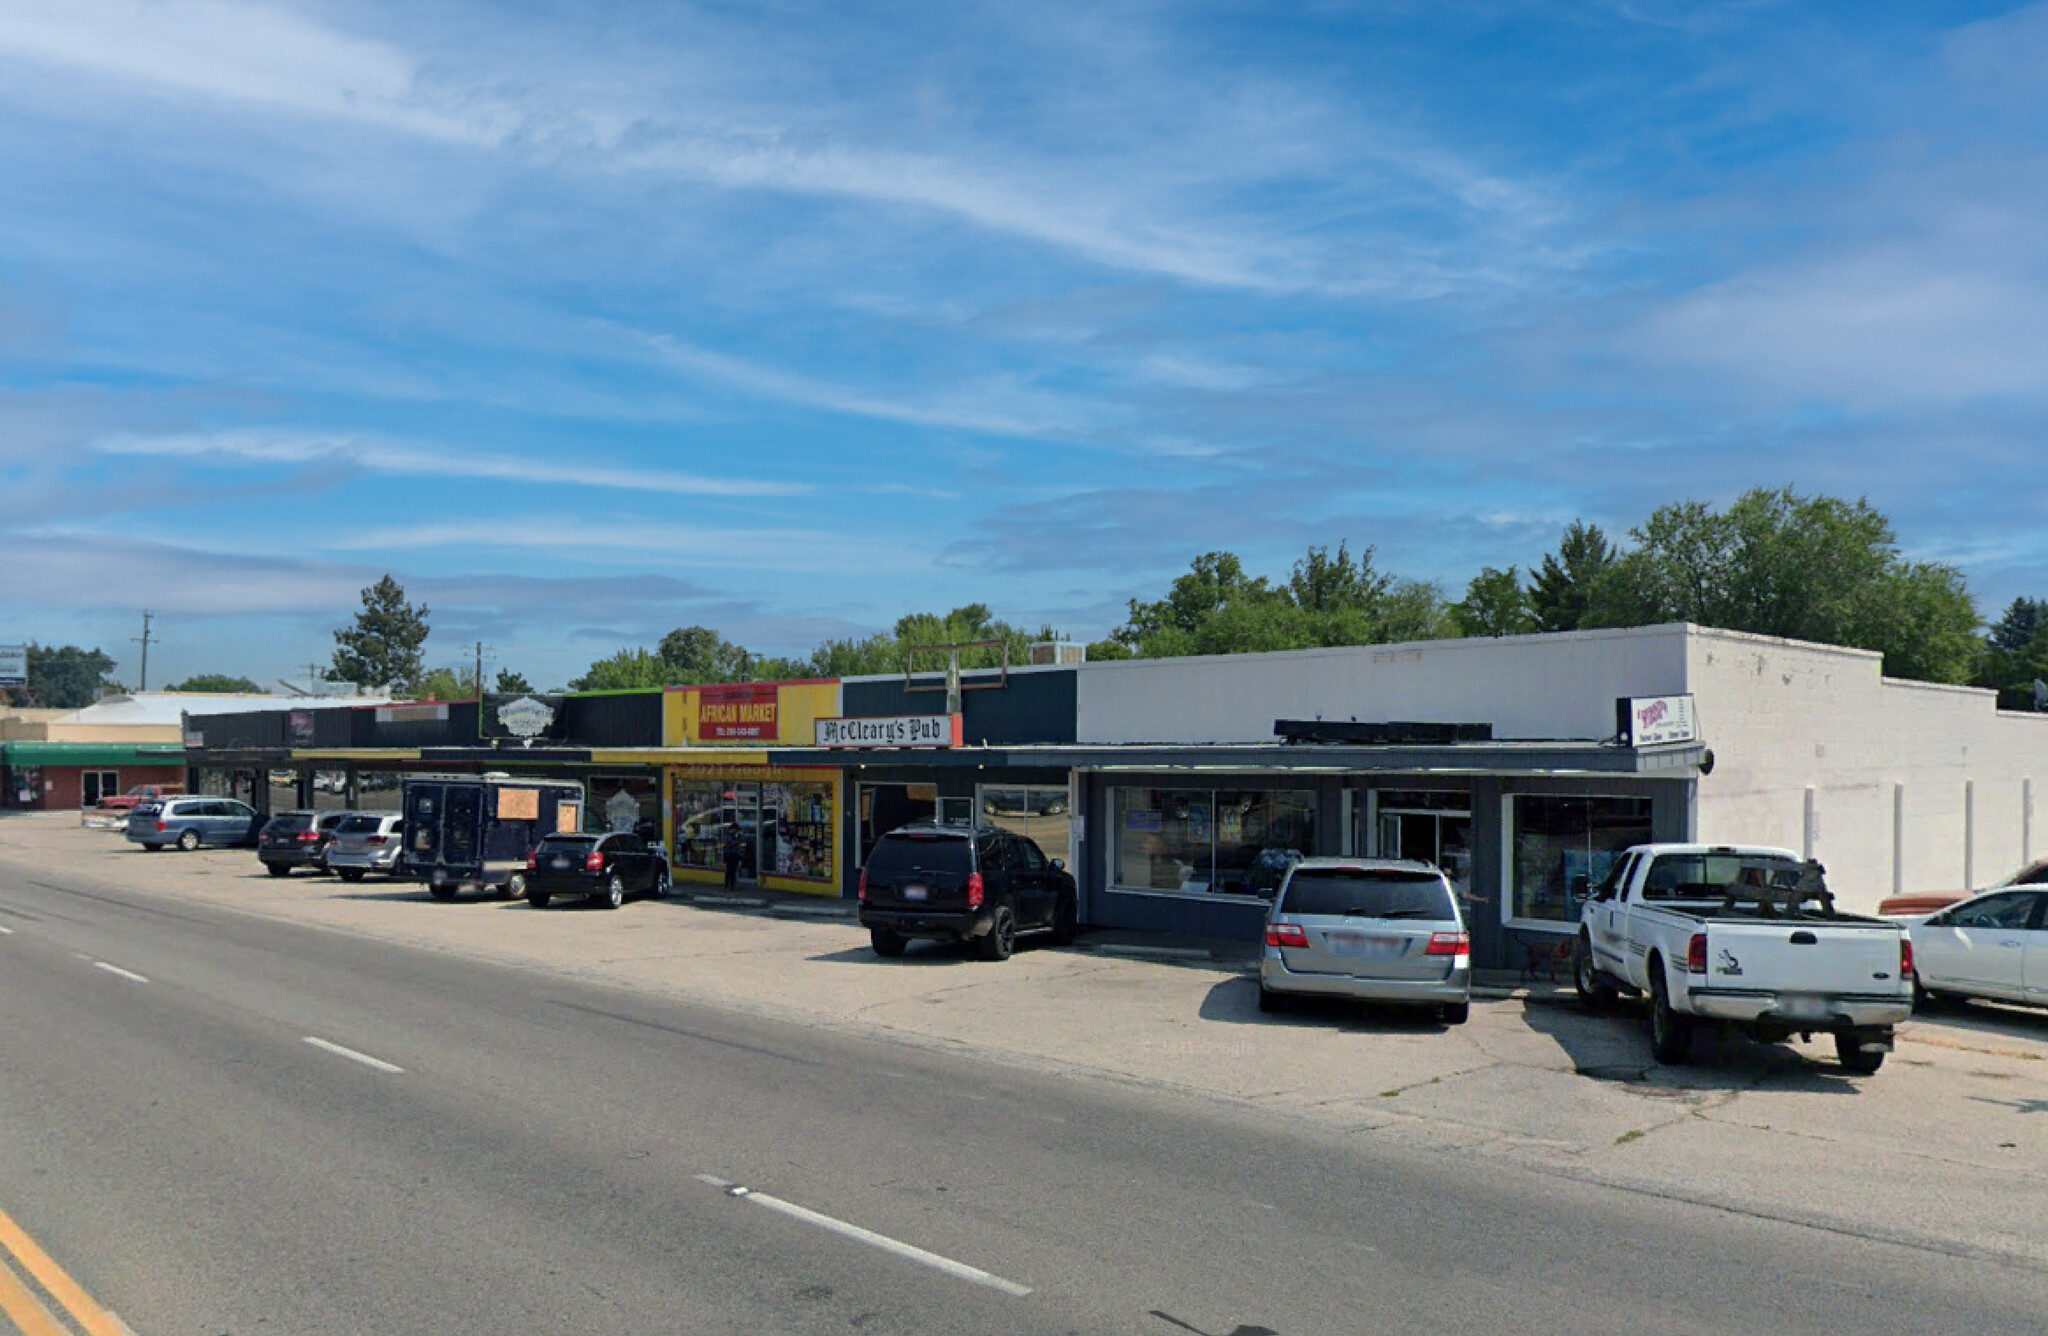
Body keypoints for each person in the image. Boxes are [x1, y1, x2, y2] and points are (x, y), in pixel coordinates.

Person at [722, 820, 744, 890]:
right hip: (729, 854)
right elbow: (728, 843)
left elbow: (739, 843)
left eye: (736, 829)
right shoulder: (728, 835)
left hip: (735, 855)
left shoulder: (737, 835)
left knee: (733, 871)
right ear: (732, 829)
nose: (735, 831)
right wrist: (736, 842)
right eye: (735, 829)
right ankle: (727, 885)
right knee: (729, 870)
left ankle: (732, 885)